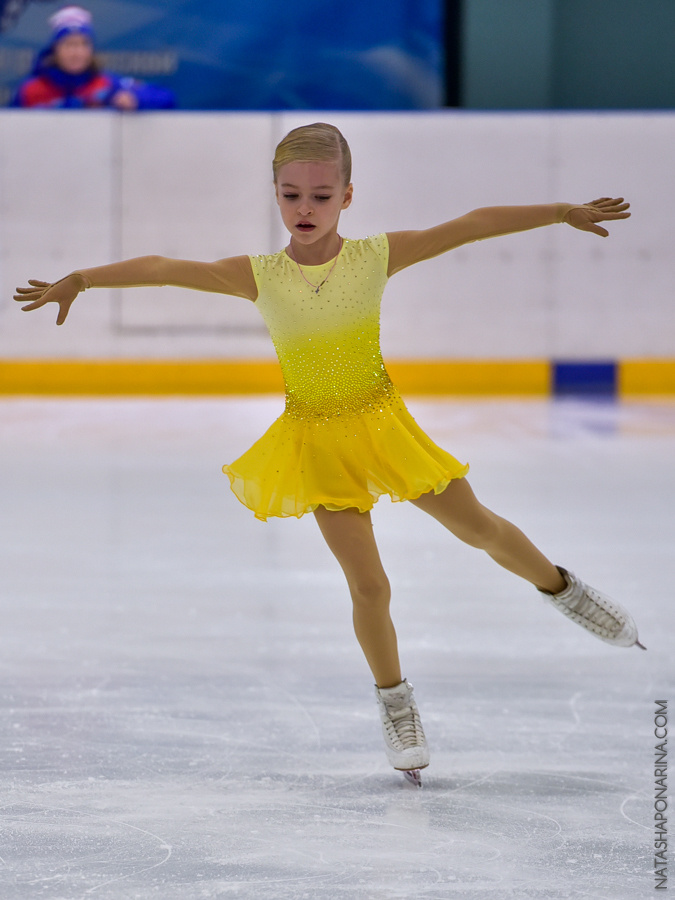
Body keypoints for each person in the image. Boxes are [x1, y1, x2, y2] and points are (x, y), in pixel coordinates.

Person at [14, 122, 644, 785]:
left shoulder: (375, 257)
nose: (304, 209)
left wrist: (559, 211)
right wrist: (81, 279)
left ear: (346, 196)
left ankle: (563, 590)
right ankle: (395, 703)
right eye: (291, 195)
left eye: (320, 196)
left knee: (479, 528)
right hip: (315, 442)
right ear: (275, 195)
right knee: (369, 586)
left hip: (383, 426)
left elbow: (469, 225)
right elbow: (163, 269)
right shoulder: (257, 276)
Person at [11, 5, 175, 110]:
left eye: (84, 44)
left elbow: (166, 97)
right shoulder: (30, 90)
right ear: (55, 49)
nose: (77, 52)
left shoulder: (106, 84)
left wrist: (136, 99)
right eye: (69, 45)